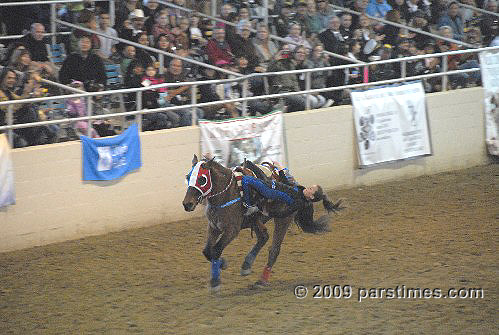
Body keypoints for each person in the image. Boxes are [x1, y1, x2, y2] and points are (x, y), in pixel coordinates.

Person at [240, 160, 343, 229]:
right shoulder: (299, 189)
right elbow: (286, 182)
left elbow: (284, 213)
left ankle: (248, 206)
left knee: (245, 180)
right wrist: (280, 168)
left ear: (311, 196)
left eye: (310, 189)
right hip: (271, 184)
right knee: (248, 163)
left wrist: (269, 213)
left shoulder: (299, 202)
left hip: (268, 190)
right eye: (310, 186)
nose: (308, 188)